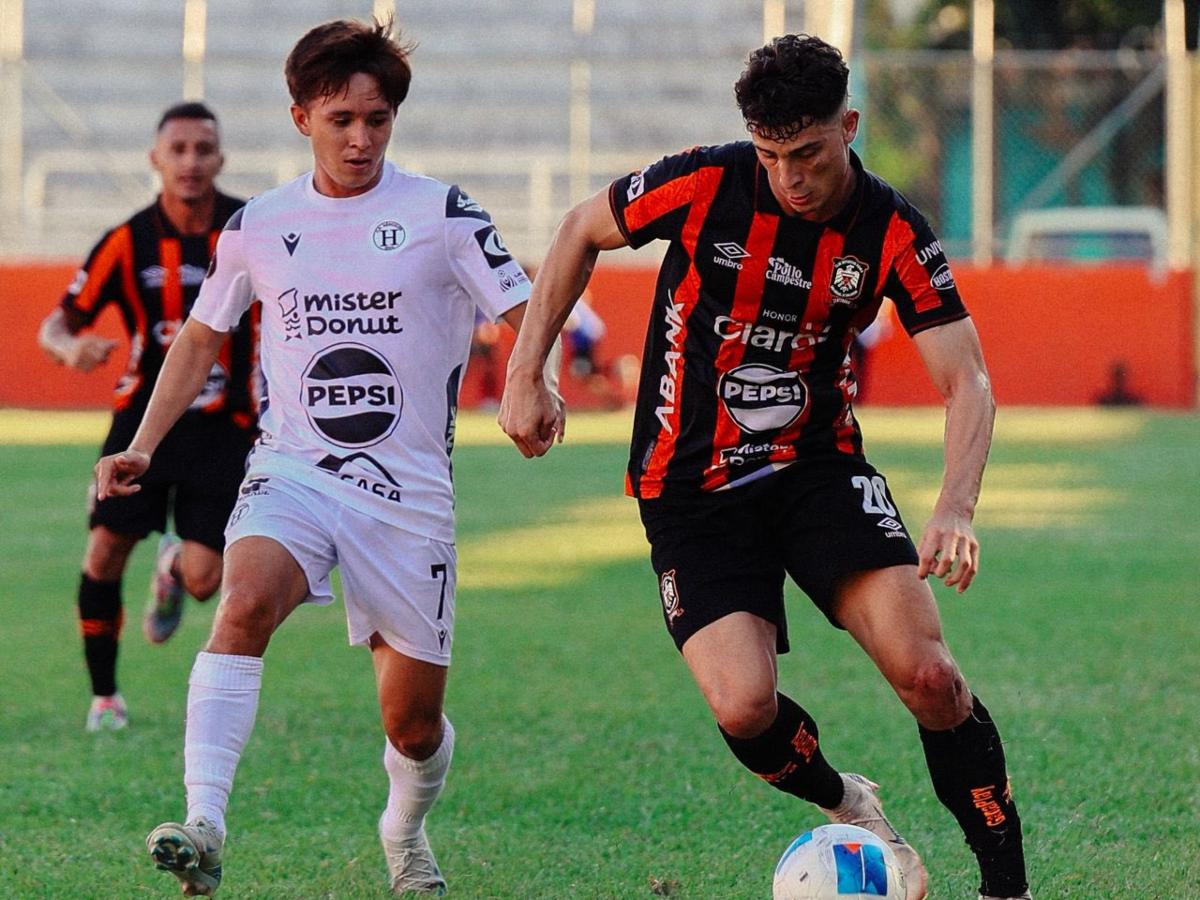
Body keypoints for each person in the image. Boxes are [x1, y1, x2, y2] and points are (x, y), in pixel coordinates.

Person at [501, 34, 1031, 900]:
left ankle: (1006, 886)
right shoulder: (708, 181)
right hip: (687, 483)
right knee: (744, 708)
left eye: (810, 154)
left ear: (848, 127)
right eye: (772, 155)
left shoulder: (891, 229)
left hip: (815, 467)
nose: (790, 176)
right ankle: (849, 802)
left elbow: (967, 378)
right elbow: (578, 229)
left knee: (931, 676)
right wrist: (528, 369)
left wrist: (957, 507)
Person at [94, 18, 558, 897]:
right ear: (301, 114)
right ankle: (206, 821)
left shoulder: (442, 212)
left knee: (412, 726)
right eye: (341, 118)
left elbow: (526, 308)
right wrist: (141, 447)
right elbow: (198, 340)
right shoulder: (260, 225)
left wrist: (531, 382)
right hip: (292, 472)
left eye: (377, 120)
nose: (361, 138)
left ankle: (404, 827)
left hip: (409, 494)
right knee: (242, 604)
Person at [37, 102, 257, 733]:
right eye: (178, 149)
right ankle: (105, 697)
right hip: (141, 423)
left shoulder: (251, 232)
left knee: (204, 582)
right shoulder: (125, 241)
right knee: (105, 551)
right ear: (155, 158)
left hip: (224, 426)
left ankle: (173, 567)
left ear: (221, 158)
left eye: (203, 149)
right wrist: (68, 347)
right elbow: (59, 321)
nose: (191, 161)